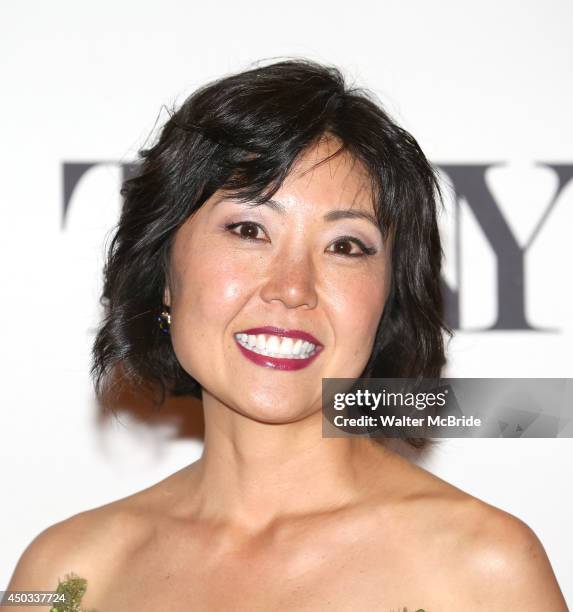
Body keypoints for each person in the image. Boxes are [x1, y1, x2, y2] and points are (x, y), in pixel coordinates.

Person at [4, 59, 567, 611]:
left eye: (346, 246)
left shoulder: (484, 569)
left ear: (388, 296)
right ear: (164, 274)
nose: (293, 287)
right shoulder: (60, 579)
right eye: (249, 230)